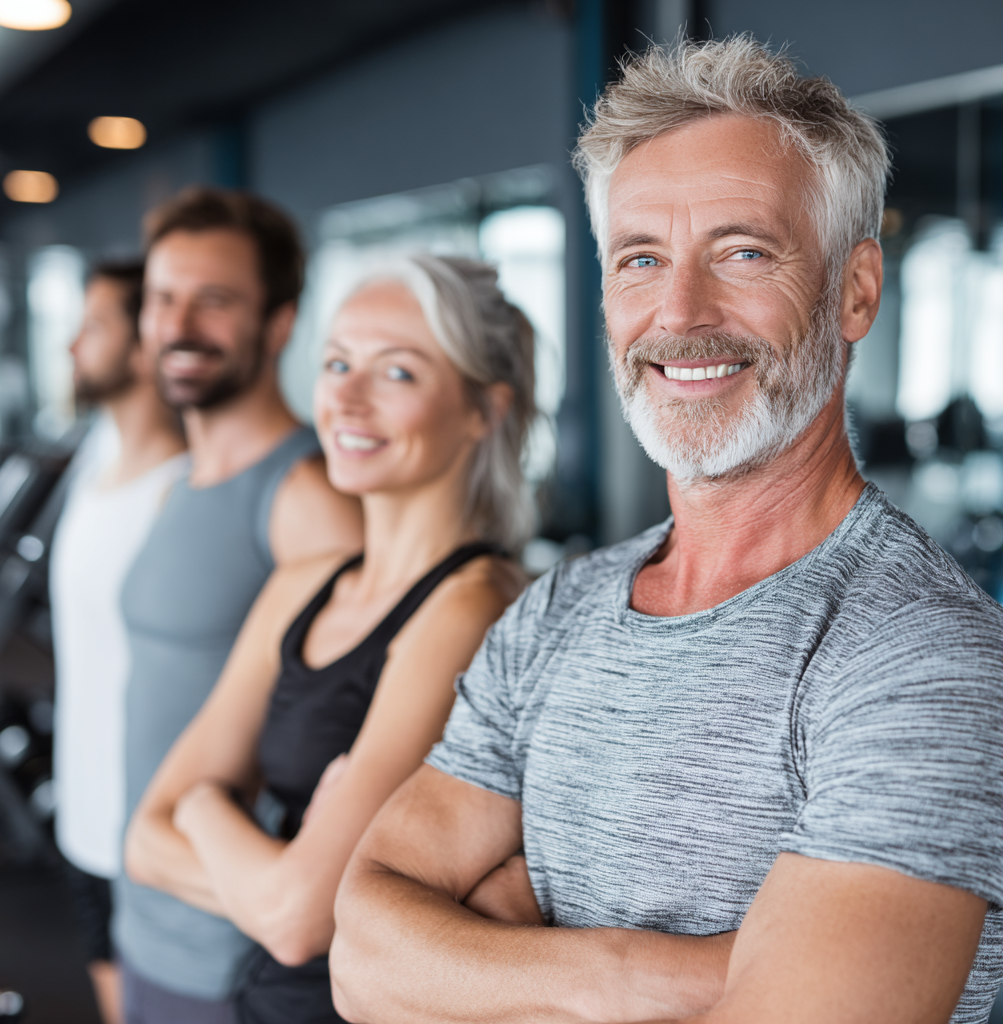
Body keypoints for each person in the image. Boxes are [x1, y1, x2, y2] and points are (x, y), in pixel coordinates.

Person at [330, 37, 1003, 1024]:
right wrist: (657, 975)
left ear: (855, 289)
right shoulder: (553, 613)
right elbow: (361, 959)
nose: (679, 314)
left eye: (742, 252)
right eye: (640, 259)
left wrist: (493, 952)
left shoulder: (922, 656)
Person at [124, 255, 534, 1024]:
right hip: (256, 996)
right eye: (337, 363)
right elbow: (143, 840)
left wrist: (206, 810)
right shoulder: (303, 584)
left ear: (484, 409)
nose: (345, 397)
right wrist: (259, 849)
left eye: (398, 373)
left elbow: (299, 920)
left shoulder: (470, 607)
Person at [113, 187, 364, 1024]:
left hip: (232, 955)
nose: (179, 324)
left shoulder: (306, 497)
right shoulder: (182, 479)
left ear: (280, 321)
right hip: (147, 912)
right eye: (162, 298)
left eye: (214, 300)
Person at [51, 260, 188, 1024]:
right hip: (83, 810)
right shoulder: (93, 457)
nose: (72, 345)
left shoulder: (183, 486)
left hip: (148, 828)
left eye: (94, 326)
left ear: (144, 344)